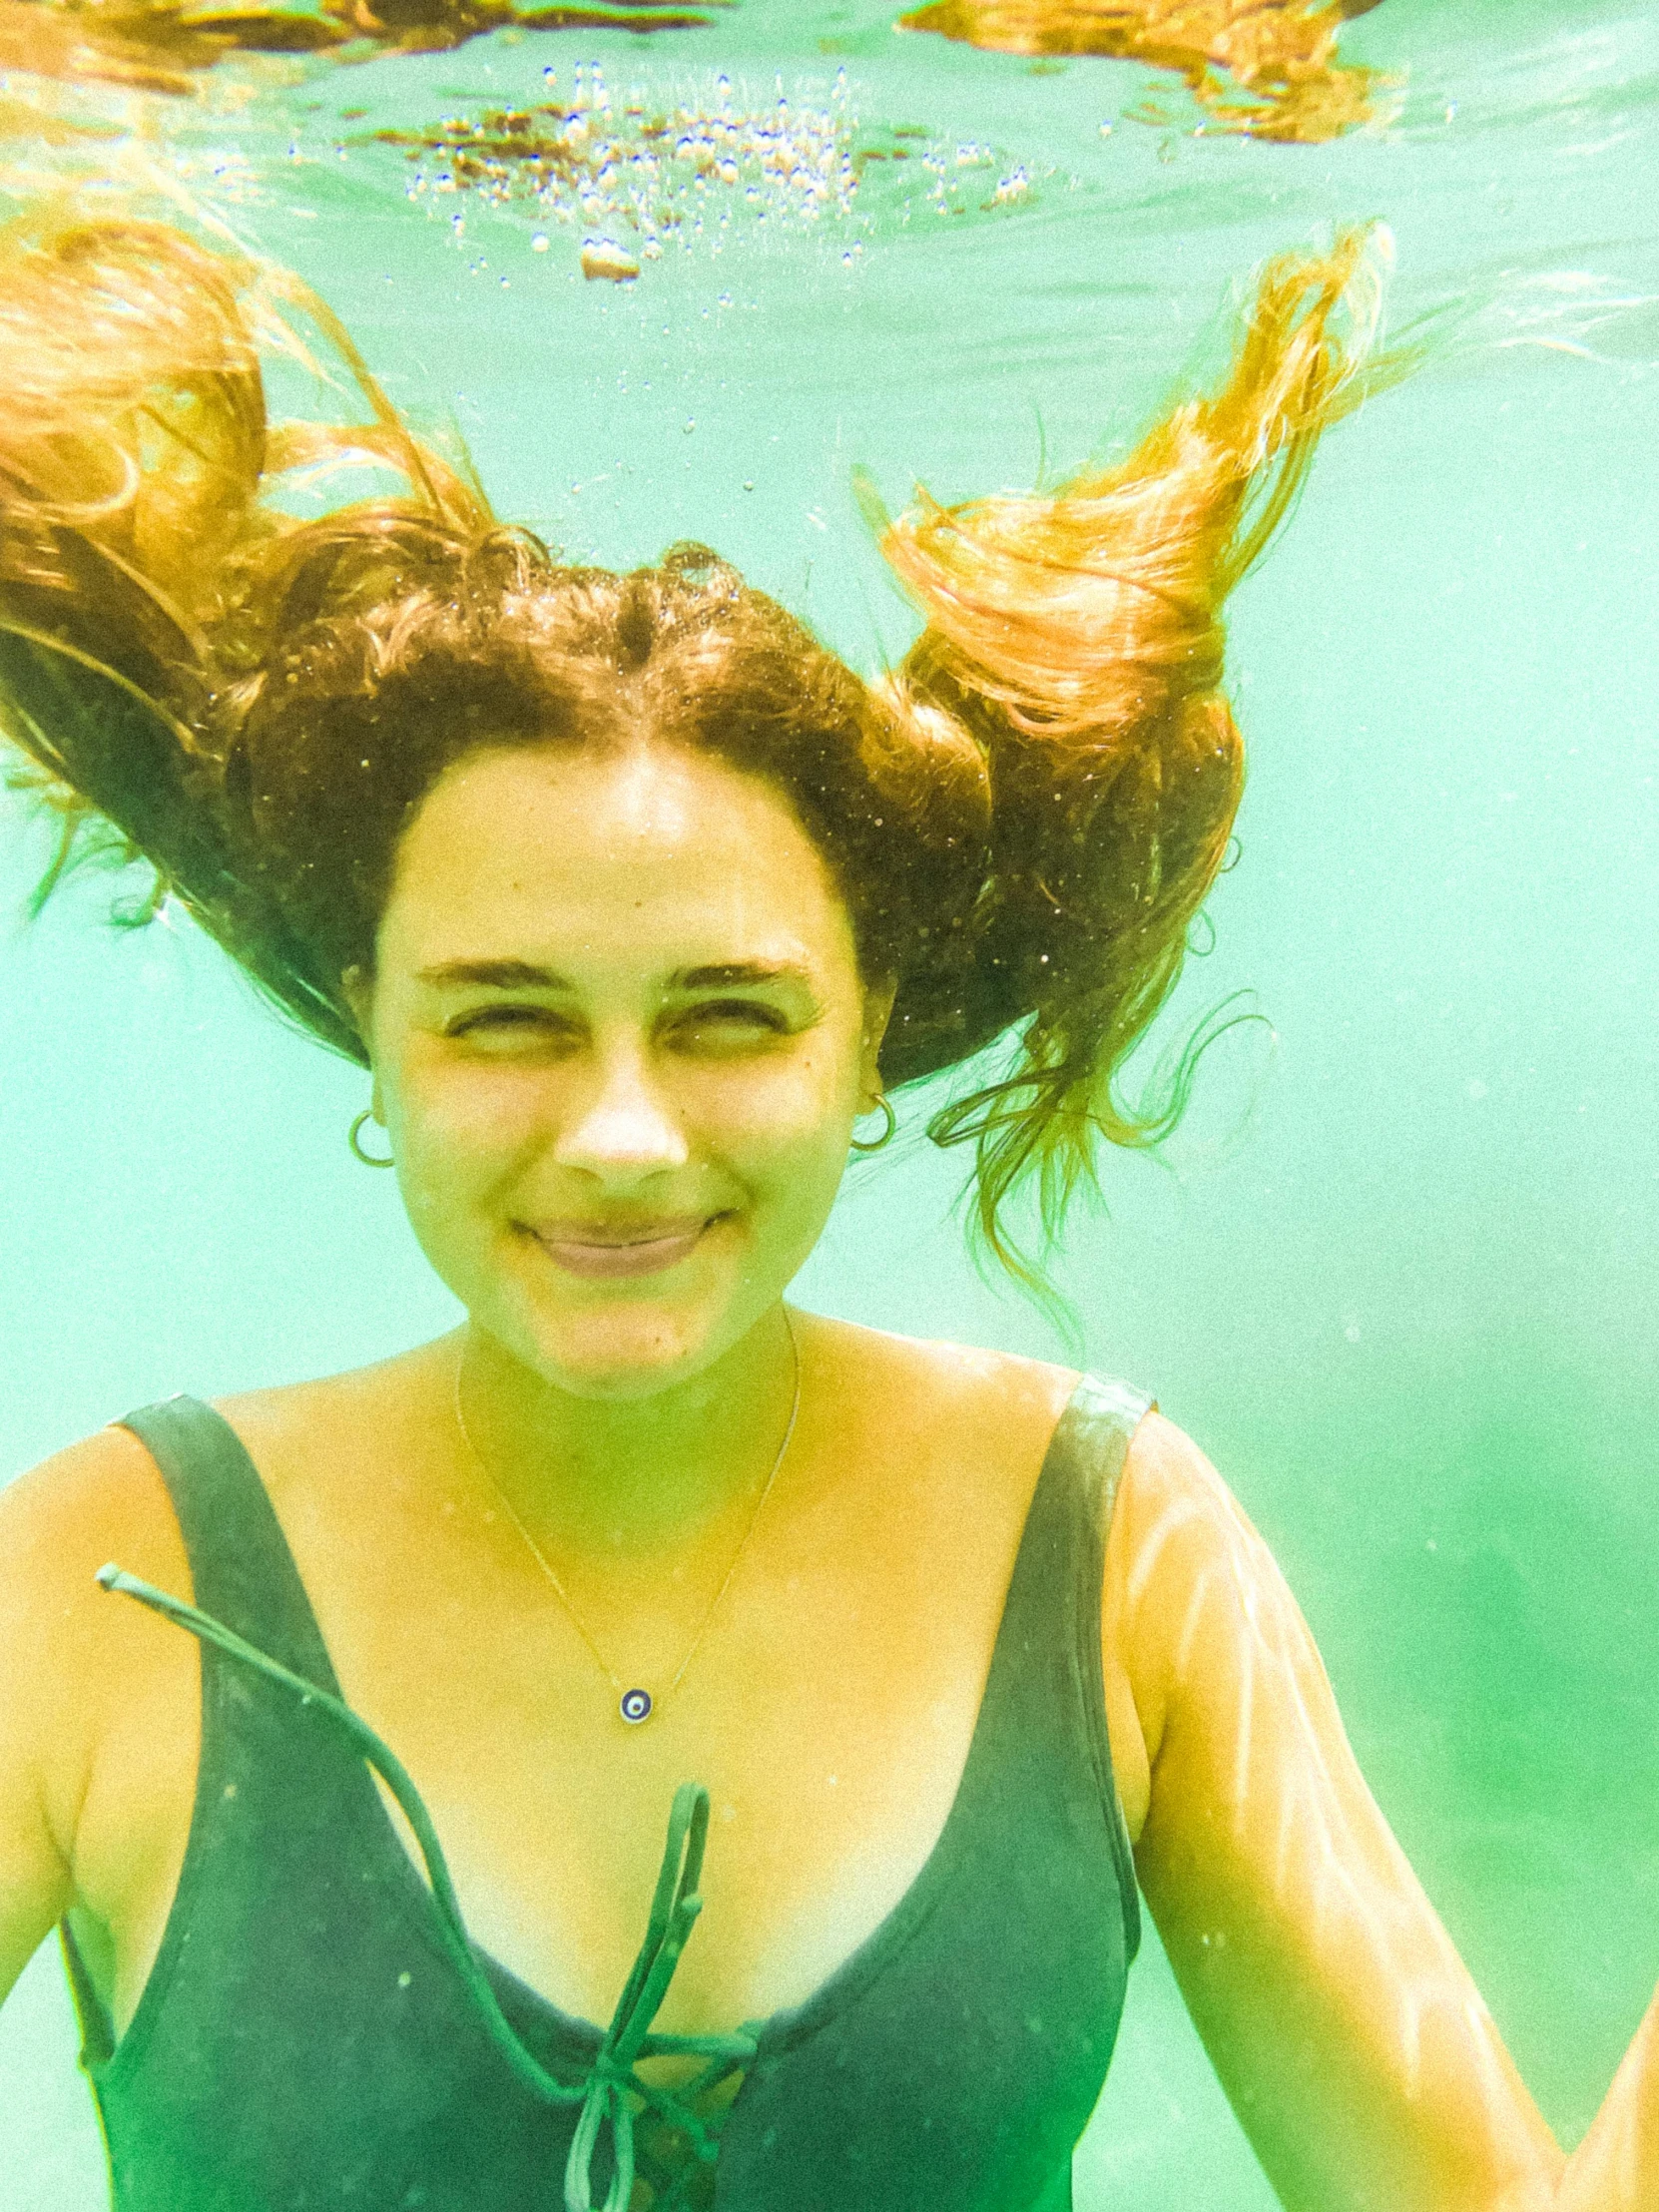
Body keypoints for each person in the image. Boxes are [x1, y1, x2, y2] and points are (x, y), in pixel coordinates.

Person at [0, 203, 1649, 2212]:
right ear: (375, 1033)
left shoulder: (1118, 1548)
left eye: (727, 1017)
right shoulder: (92, 1575)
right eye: (506, 1018)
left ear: (867, 1032)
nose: (619, 1134)